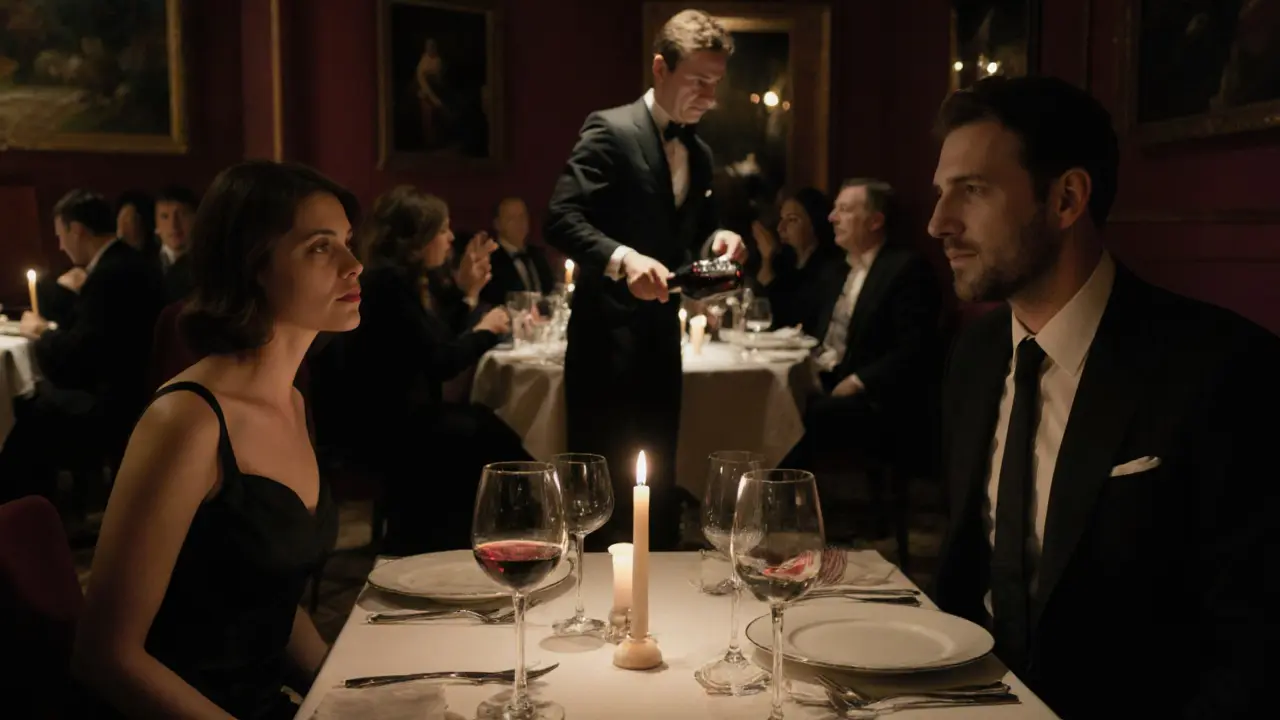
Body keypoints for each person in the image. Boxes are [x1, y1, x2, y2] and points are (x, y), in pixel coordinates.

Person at [928, 76, 1276, 719]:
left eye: (971, 191)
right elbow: (963, 574)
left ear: (1066, 199)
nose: (938, 223)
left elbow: (1254, 644)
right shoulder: (976, 358)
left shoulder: (1224, 370)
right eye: (941, 192)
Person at [71, 161, 360, 719]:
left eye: (347, 242)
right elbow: (105, 655)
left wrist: (345, 692)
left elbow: (263, 592)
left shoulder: (292, 403)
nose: (355, 264)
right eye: (322, 248)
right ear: (252, 264)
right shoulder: (188, 420)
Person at [545, 9, 746, 549]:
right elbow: (560, 217)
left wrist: (719, 242)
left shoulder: (699, 153)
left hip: (661, 335)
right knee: (601, 486)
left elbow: (694, 235)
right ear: (661, 68)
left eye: (715, 83)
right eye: (698, 81)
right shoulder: (610, 128)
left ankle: (654, 610)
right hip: (602, 339)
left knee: (657, 474)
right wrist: (622, 258)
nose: (709, 96)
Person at [334, 185, 523, 554]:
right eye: (442, 229)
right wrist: (486, 331)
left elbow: (434, 338)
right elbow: (440, 362)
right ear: (416, 239)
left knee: (490, 428)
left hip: (404, 416)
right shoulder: (386, 285)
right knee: (491, 438)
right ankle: (462, 544)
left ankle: (471, 540)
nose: (451, 238)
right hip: (383, 427)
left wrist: (465, 292)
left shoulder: (405, 280)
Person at [780, 178, 940, 476]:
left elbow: (916, 348)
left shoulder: (905, 269)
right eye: (834, 209)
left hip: (877, 398)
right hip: (824, 376)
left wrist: (858, 381)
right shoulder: (836, 269)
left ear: (875, 221)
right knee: (772, 401)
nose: (832, 218)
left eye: (844, 209)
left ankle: (794, 501)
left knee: (788, 415)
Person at [753, 186, 842, 330]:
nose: (781, 227)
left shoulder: (830, 268)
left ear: (814, 223)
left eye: (792, 220)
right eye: (782, 219)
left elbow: (794, 317)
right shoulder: (785, 260)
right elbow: (759, 308)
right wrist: (767, 259)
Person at [481, 196, 555, 306]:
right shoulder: (490, 261)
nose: (520, 223)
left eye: (522, 216)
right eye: (512, 218)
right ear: (497, 224)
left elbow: (550, 292)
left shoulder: (538, 255)